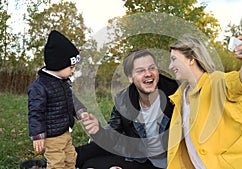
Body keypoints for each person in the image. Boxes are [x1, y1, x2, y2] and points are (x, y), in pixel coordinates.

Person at [166, 35, 242, 169]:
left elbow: (241, 83)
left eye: (174, 59)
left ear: (191, 59)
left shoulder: (216, 81)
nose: (170, 66)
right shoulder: (180, 96)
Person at [75, 48, 179, 169]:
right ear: (130, 78)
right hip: (142, 159)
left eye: (152, 68)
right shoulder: (123, 100)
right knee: (90, 162)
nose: (148, 73)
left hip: (171, 162)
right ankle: (62, 160)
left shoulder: (176, 92)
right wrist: (98, 131)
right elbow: (112, 136)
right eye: (140, 71)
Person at [28, 30, 86, 169]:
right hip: (52, 136)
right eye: (71, 67)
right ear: (57, 64)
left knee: (71, 158)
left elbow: (71, 99)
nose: (73, 71)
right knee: (57, 163)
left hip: (65, 131)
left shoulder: (63, 81)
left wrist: (80, 111)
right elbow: (36, 112)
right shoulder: (40, 86)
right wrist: (38, 134)